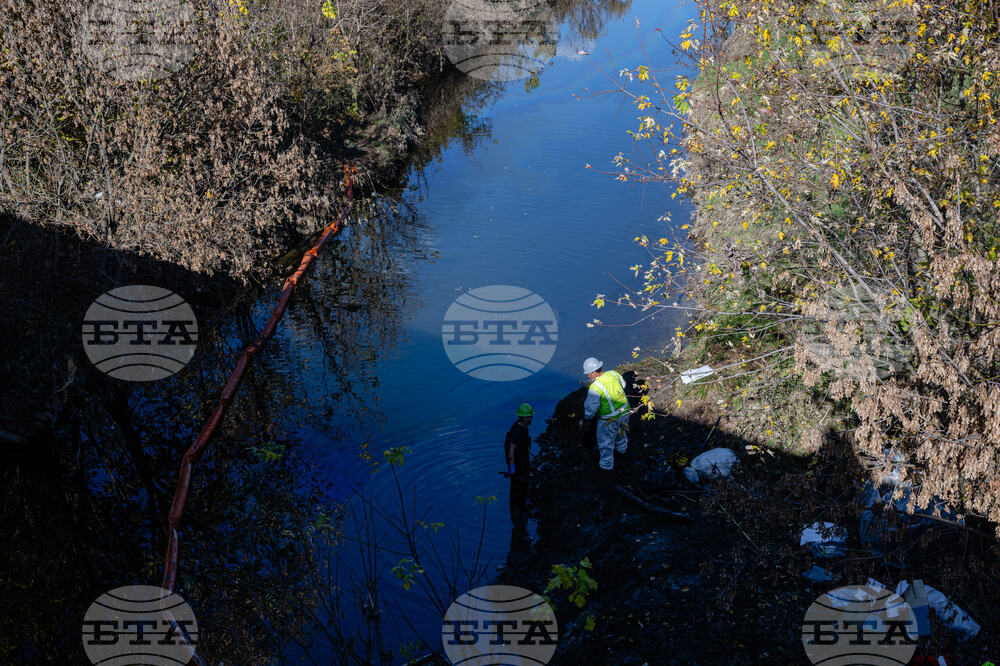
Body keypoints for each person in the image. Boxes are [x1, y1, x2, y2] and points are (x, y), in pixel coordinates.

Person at [582, 357, 629, 504]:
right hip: (625, 412)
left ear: (595, 372)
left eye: (588, 374)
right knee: (622, 436)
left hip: (608, 420)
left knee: (605, 445)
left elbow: (591, 408)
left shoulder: (595, 388)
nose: (588, 376)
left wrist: (587, 418)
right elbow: (623, 385)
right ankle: (623, 454)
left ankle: (606, 471)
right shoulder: (614, 374)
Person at [505, 403, 533, 514]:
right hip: (517, 463)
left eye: (531, 416)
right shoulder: (517, 431)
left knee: (523, 484)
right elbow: (511, 450)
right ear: (522, 417)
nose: (531, 419)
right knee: (517, 486)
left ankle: (520, 505)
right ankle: (516, 509)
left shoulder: (524, 427)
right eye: (528, 417)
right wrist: (512, 467)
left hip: (523, 460)